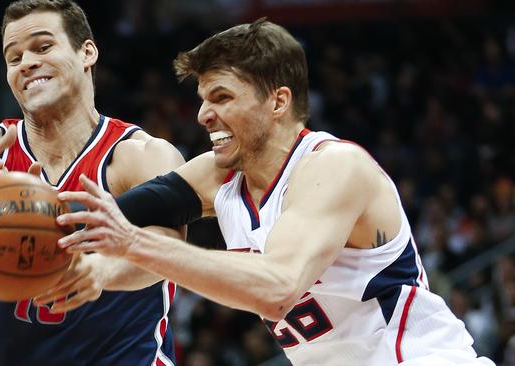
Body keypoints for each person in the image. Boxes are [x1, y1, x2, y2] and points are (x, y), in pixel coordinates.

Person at [50, 19, 496, 365]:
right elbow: (110, 213)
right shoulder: (218, 175)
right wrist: (45, 226)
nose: (203, 114)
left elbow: (278, 287)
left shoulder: (333, 167)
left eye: (222, 97)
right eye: (203, 99)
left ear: (277, 102)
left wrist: (131, 244)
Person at [0, 0, 184, 365]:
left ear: (87, 52)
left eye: (43, 47)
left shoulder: (138, 155)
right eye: (14, 58)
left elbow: (172, 249)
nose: (27, 62)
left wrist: (100, 272)